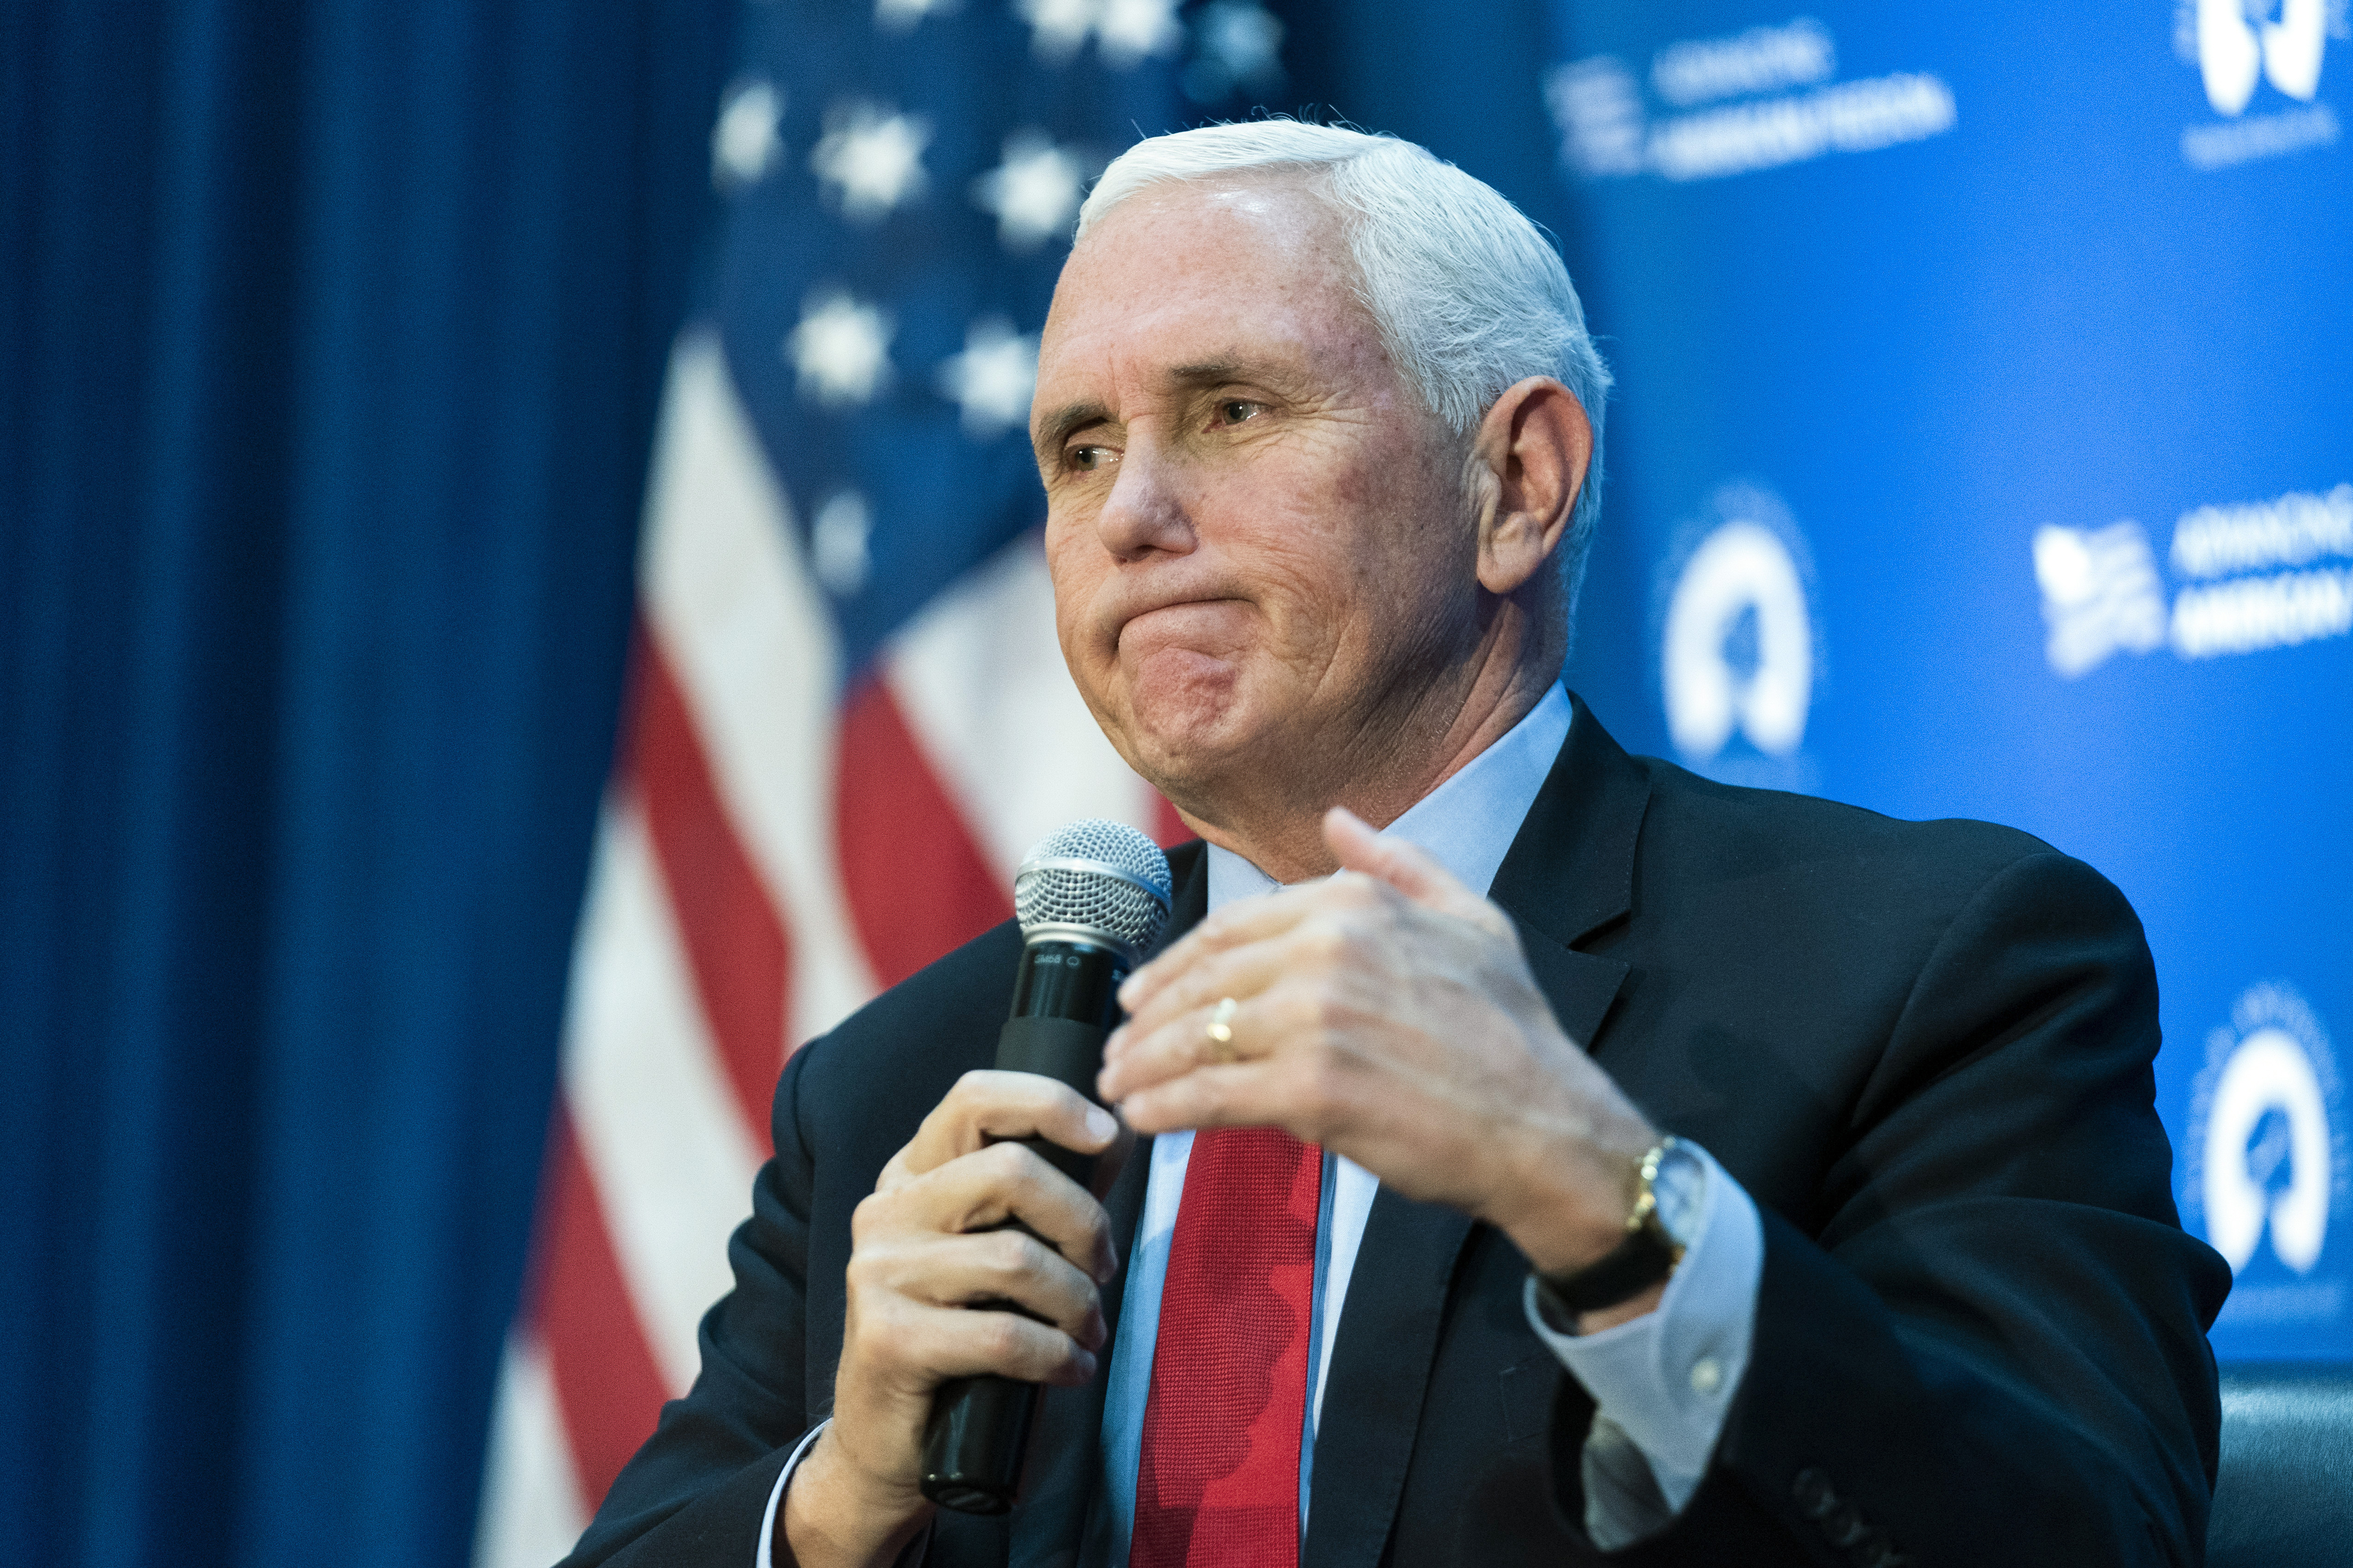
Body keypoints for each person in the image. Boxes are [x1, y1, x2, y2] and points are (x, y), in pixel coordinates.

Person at [563, 122, 2228, 1568]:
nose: (1129, 514)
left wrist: (1599, 1191)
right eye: (1079, 450)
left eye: (1229, 412)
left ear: (1518, 482)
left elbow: (2081, 1541)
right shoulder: (907, 1086)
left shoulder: (1927, 969)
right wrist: (842, 1499)